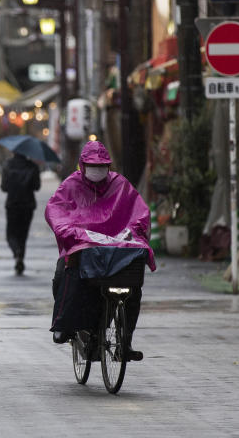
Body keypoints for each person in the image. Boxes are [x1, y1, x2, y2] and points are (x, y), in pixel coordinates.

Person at [44, 141, 154, 361]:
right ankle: (64, 324)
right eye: (92, 165)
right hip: (81, 245)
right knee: (63, 275)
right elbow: (55, 210)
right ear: (82, 165)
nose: (97, 170)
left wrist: (134, 231)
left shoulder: (120, 184)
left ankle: (126, 341)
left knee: (133, 290)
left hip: (117, 247)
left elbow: (139, 211)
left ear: (109, 166)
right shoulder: (71, 185)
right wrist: (68, 232)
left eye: (102, 165)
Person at [0, 151, 41, 275]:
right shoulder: (33, 166)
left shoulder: (8, 165)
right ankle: (20, 257)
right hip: (27, 204)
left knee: (10, 234)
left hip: (12, 203)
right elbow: (37, 186)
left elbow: (4, 187)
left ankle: (16, 252)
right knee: (23, 234)